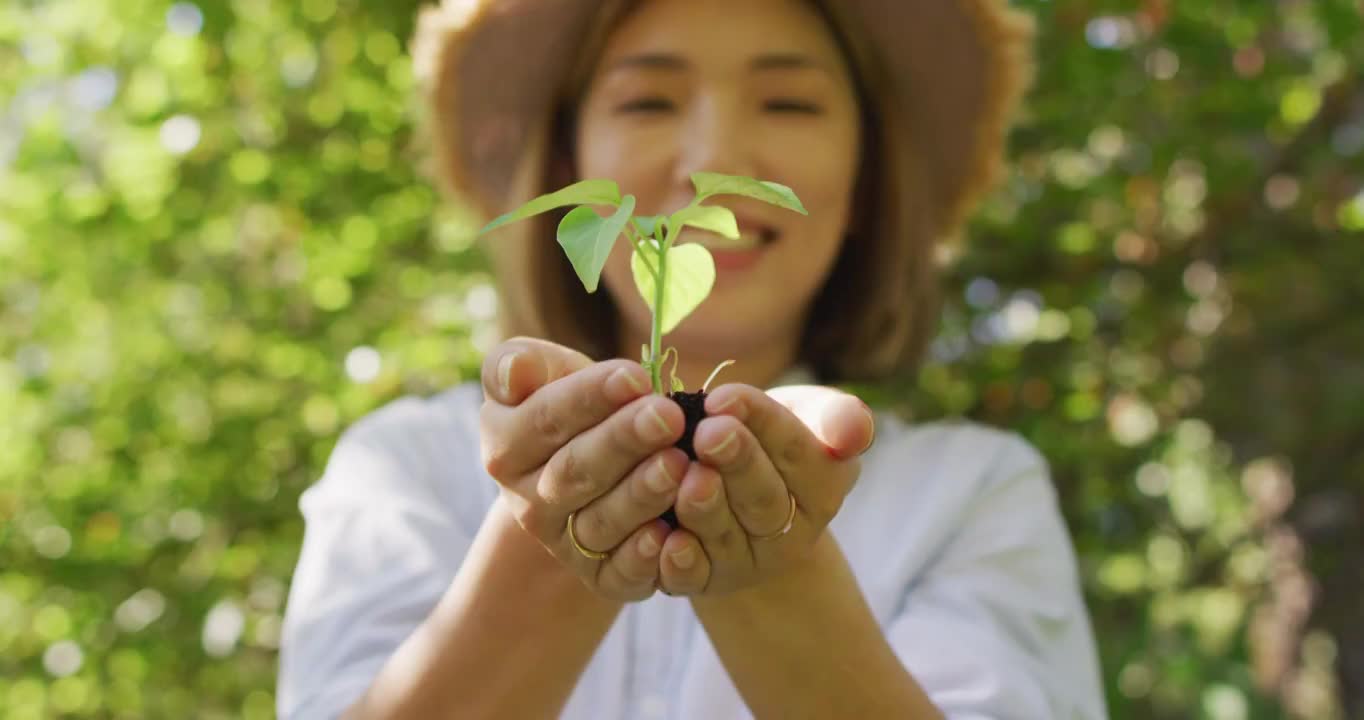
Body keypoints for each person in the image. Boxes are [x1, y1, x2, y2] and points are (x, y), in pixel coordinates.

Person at [278, 0, 1108, 717]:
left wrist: (775, 578)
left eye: (788, 103)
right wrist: (557, 527)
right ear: (569, 164)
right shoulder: (408, 471)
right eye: (646, 102)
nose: (714, 159)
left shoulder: (969, 494)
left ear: (864, 178)